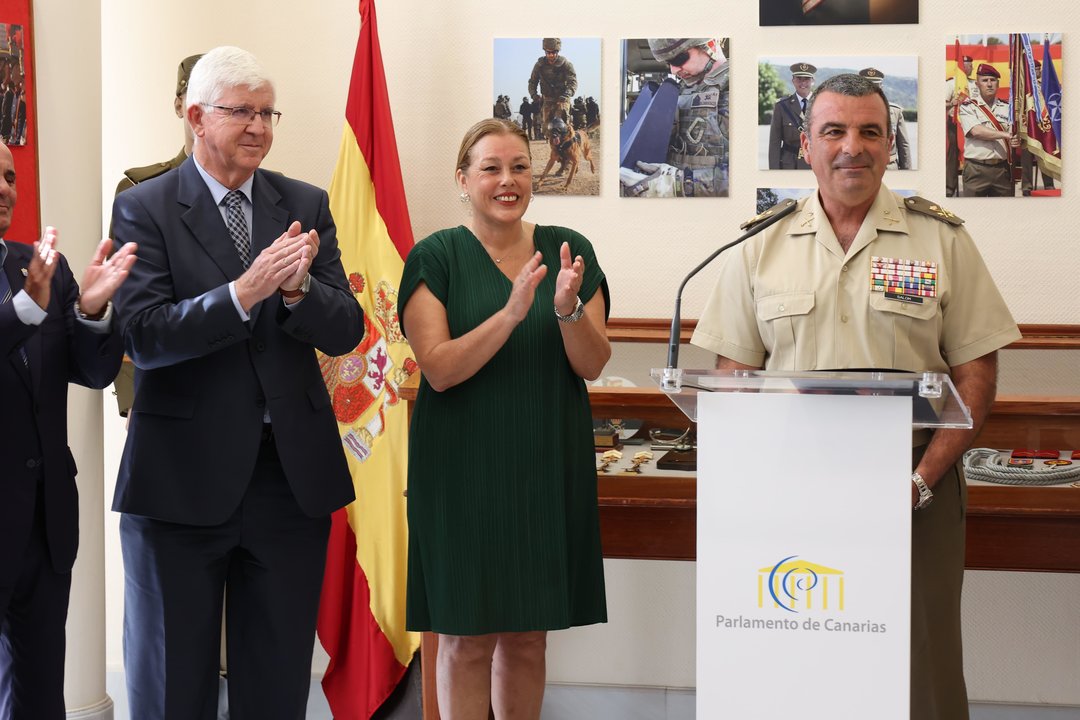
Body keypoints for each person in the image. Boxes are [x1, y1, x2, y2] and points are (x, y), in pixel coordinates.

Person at [691, 73, 1021, 720]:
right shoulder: (757, 244)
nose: (853, 147)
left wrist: (920, 483)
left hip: (915, 487)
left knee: (915, 668)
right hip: (789, 492)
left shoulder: (941, 240)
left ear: (890, 145)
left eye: (871, 131)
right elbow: (731, 380)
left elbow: (976, 376)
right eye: (834, 131)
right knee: (796, 666)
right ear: (805, 146)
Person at [109, 45, 363, 719]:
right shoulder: (146, 205)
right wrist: (243, 293)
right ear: (196, 116)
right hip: (179, 482)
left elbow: (346, 330)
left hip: (289, 482)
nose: (257, 127)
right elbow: (144, 337)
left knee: (277, 685)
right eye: (240, 112)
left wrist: (302, 286)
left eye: (267, 113)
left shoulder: (303, 202)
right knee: (172, 685)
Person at [398, 118, 609, 719]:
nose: (507, 180)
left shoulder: (570, 249)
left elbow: (592, 365)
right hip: (462, 475)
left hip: (544, 465)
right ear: (463, 180)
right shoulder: (435, 257)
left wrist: (565, 309)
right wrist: (513, 313)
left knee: (527, 634)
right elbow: (438, 369)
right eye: (490, 168)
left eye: (519, 166)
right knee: (464, 637)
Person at [0, 142, 137, 719]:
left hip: (43, 521)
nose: (6, 187)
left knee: (37, 700)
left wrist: (92, 313)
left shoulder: (33, 267)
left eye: (9, 175)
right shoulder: (32, 287)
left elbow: (91, 369)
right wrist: (25, 312)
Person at [110, 53, 202, 418]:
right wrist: (131, 397)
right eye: (198, 98)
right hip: (166, 386)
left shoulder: (262, 195)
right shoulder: (140, 191)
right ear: (180, 106)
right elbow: (124, 298)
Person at [620, 38, 729, 197]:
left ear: (711, 45)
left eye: (679, 59)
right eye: (667, 63)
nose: (673, 70)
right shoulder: (681, 91)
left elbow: (746, 177)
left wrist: (680, 185)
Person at [958, 63, 1019, 197]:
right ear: (977, 84)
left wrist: (1017, 140)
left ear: (997, 83)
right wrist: (1006, 135)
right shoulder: (967, 107)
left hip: (1002, 170)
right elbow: (976, 131)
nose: (989, 84)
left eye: (993, 80)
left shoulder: (1008, 107)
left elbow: (1016, 134)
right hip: (976, 169)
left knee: (1003, 214)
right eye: (985, 80)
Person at [859, 67, 911, 169]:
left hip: (889, 167)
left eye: (875, 86)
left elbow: (904, 145)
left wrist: (907, 173)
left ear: (881, 87)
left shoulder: (895, 112)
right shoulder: (850, 110)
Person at [768, 62, 815, 169]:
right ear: (793, 80)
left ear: (813, 81)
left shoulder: (822, 104)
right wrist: (773, 172)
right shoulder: (782, 106)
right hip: (789, 164)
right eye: (799, 79)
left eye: (806, 79)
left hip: (814, 163)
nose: (803, 83)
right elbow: (774, 142)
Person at [1020, 60, 1056, 196]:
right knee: (1026, 159)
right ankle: (1027, 186)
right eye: (1034, 68)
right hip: (1028, 127)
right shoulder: (1024, 87)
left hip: (1044, 127)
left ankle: (1049, 185)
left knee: (1046, 157)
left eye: (1038, 68)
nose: (1037, 70)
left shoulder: (1045, 86)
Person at [528, 38, 577, 133]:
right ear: (545, 52)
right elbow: (532, 82)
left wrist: (567, 94)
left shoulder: (566, 64)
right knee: (547, 128)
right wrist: (534, 95)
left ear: (557, 52)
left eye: (553, 52)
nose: (551, 55)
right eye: (548, 52)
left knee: (562, 126)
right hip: (547, 99)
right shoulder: (539, 65)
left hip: (562, 99)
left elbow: (572, 82)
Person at [945, 55, 975, 196]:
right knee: (953, 154)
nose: (972, 67)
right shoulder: (951, 84)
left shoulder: (975, 84)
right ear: (963, 66)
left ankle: (971, 184)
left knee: (972, 153)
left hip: (972, 124)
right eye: (969, 65)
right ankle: (950, 186)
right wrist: (952, 103)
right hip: (955, 124)